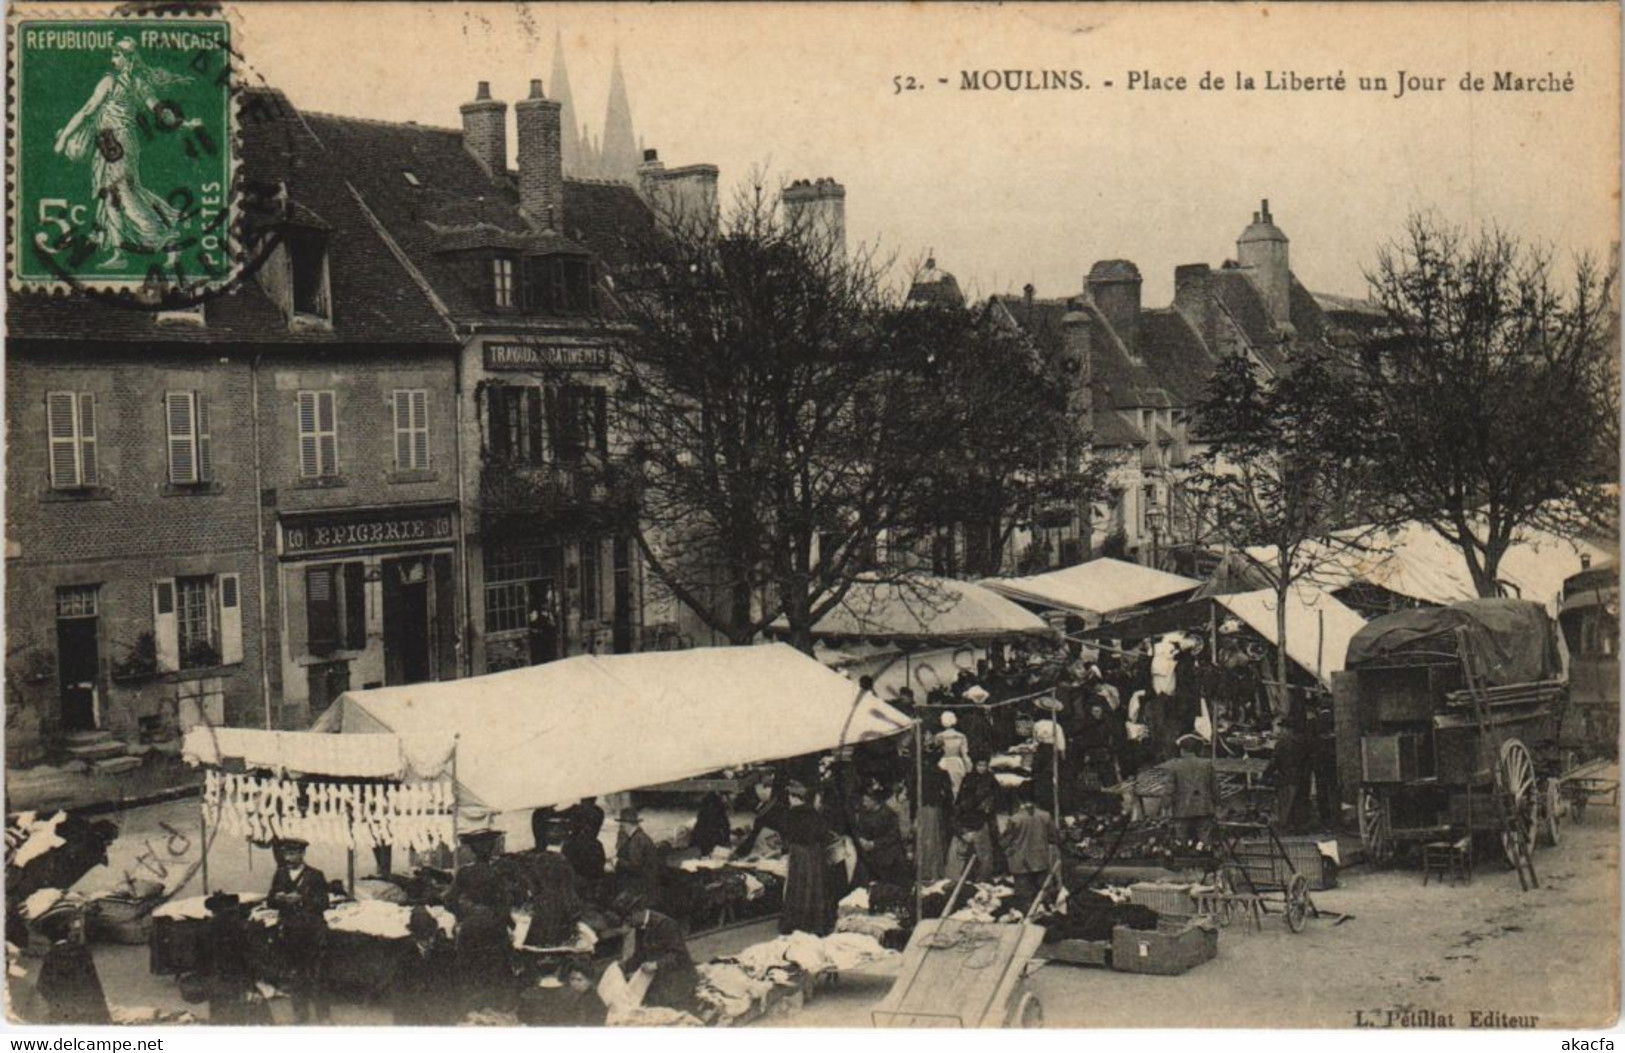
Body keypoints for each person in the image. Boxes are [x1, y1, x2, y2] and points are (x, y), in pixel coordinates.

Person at [51, 38, 192, 268]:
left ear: (127, 58)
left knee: (124, 195)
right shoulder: (138, 82)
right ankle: (119, 254)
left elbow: (87, 110)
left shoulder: (111, 81)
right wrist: (181, 123)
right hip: (112, 145)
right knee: (110, 196)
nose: (112, 60)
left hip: (117, 146)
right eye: (113, 55)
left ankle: (168, 241)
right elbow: (160, 111)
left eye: (116, 55)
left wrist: (65, 137)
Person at [446, 829, 514, 1010]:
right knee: (494, 965)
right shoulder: (497, 873)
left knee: (471, 965)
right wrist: (507, 923)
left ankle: (470, 1006)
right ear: (491, 850)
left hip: (471, 925)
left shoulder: (464, 873)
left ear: (473, 851)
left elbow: (450, 900)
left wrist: (465, 914)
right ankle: (494, 1005)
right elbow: (505, 903)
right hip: (494, 926)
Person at [266, 837, 331, 1024]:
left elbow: (324, 903)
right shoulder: (280, 874)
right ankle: (300, 1016)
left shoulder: (315, 875)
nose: (289, 857)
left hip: (312, 932)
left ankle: (324, 1016)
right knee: (296, 975)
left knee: (317, 975)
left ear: (302, 854)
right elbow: (269, 901)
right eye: (286, 853)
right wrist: (279, 899)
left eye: (293, 853)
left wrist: (301, 899)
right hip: (290, 932)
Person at [201, 893, 271, 1025]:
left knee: (220, 1016)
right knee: (248, 1016)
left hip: (217, 981)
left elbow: (202, 959)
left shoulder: (207, 927)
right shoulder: (239, 927)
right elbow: (249, 956)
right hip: (239, 980)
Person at [34, 902, 109, 1025]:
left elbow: (43, 988)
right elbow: (95, 988)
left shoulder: (50, 958)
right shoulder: (83, 952)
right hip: (90, 1015)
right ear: (68, 931)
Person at [620, 901, 700, 1014]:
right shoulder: (640, 926)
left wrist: (656, 965)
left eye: (629, 920)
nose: (630, 925)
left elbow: (679, 955)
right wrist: (623, 967)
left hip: (680, 981)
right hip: (661, 981)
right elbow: (640, 954)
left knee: (684, 1016)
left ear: (637, 913)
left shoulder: (665, 924)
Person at [777, 783, 835, 936]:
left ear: (794, 798)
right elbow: (823, 834)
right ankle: (815, 923)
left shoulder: (791, 814)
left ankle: (797, 922)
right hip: (814, 853)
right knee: (814, 886)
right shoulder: (815, 814)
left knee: (797, 886)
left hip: (798, 853)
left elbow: (785, 834)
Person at [391, 906, 461, 1026]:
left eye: (430, 936)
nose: (429, 942)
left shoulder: (445, 951)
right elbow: (400, 989)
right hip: (413, 1011)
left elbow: (452, 983)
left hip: (438, 1009)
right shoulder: (404, 953)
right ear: (414, 935)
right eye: (423, 938)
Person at [524, 819, 585, 948]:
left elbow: (532, 887)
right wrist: (575, 915)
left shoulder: (536, 860)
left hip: (540, 915)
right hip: (559, 915)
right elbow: (569, 894)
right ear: (564, 840)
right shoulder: (563, 863)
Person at [1001, 786, 1060, 911]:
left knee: (1024, 899)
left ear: (1019, 799)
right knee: (1044, 894)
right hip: (1041, 861)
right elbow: (1054, 837)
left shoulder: (1015, 819)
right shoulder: (1045, 816)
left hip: (1021, 863)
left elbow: (1005, 842)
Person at [945, 755, 997, 883]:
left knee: (984, 854)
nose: (982, 768)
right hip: (968, 819)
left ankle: (981, 878)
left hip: (982, 819)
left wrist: (989, 804)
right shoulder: (969, 779)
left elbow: (997, 796)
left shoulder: (990, 779)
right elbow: (960, 805)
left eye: (984, 765)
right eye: (980, 765)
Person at [1165, 734, 1222, 844]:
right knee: (1204, 841)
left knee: (1181, 842)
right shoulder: (1206, 764)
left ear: (1182, 750)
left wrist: (1164, 807)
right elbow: (1215, 787)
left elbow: (1169, 789)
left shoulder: (1175, 765)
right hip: (1204, 808)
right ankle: (1204, 858)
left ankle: (1184, 858)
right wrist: (1217, 804)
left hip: (1182, 810)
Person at [853, 786, 909, 887]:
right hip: (869, 855)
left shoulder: (888, 814)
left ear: (874, 801)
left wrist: (874, 844)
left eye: (866, 800)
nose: (864, 803)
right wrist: (861, 839)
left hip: (886, 854)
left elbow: (893, 837)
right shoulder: (864, 814)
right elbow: (858, 830)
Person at [613, 808, 662, 910]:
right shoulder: (640, 836)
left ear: (626, 825)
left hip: (643, 888)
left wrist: (617, 861)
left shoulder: (637, 840)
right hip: (648, 883)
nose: (621, 828)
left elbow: (635, 867)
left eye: (621, 825)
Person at [1270, 717, 1314, 834]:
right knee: (1301, 802)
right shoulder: (1303, 741)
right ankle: (1301, 827)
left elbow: (1275, 761)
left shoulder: (1281, 743)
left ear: (1286, 729)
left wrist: (1266, 774)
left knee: (1286, 803)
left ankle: (1286, 827)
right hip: (1303, 776)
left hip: (1287, 776)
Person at [915, 764, 952, 883]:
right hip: (930, 807)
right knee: (930, 838)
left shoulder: (927, 772)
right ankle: (929, 871)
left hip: (929, 807)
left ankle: (929, 871)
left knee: (930, 838)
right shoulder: (940, 773)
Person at [691, 791, 732, 857]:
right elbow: (725, 828)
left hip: (705, 839)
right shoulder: (717, 811)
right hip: (709, 839)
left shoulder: (705, 811)